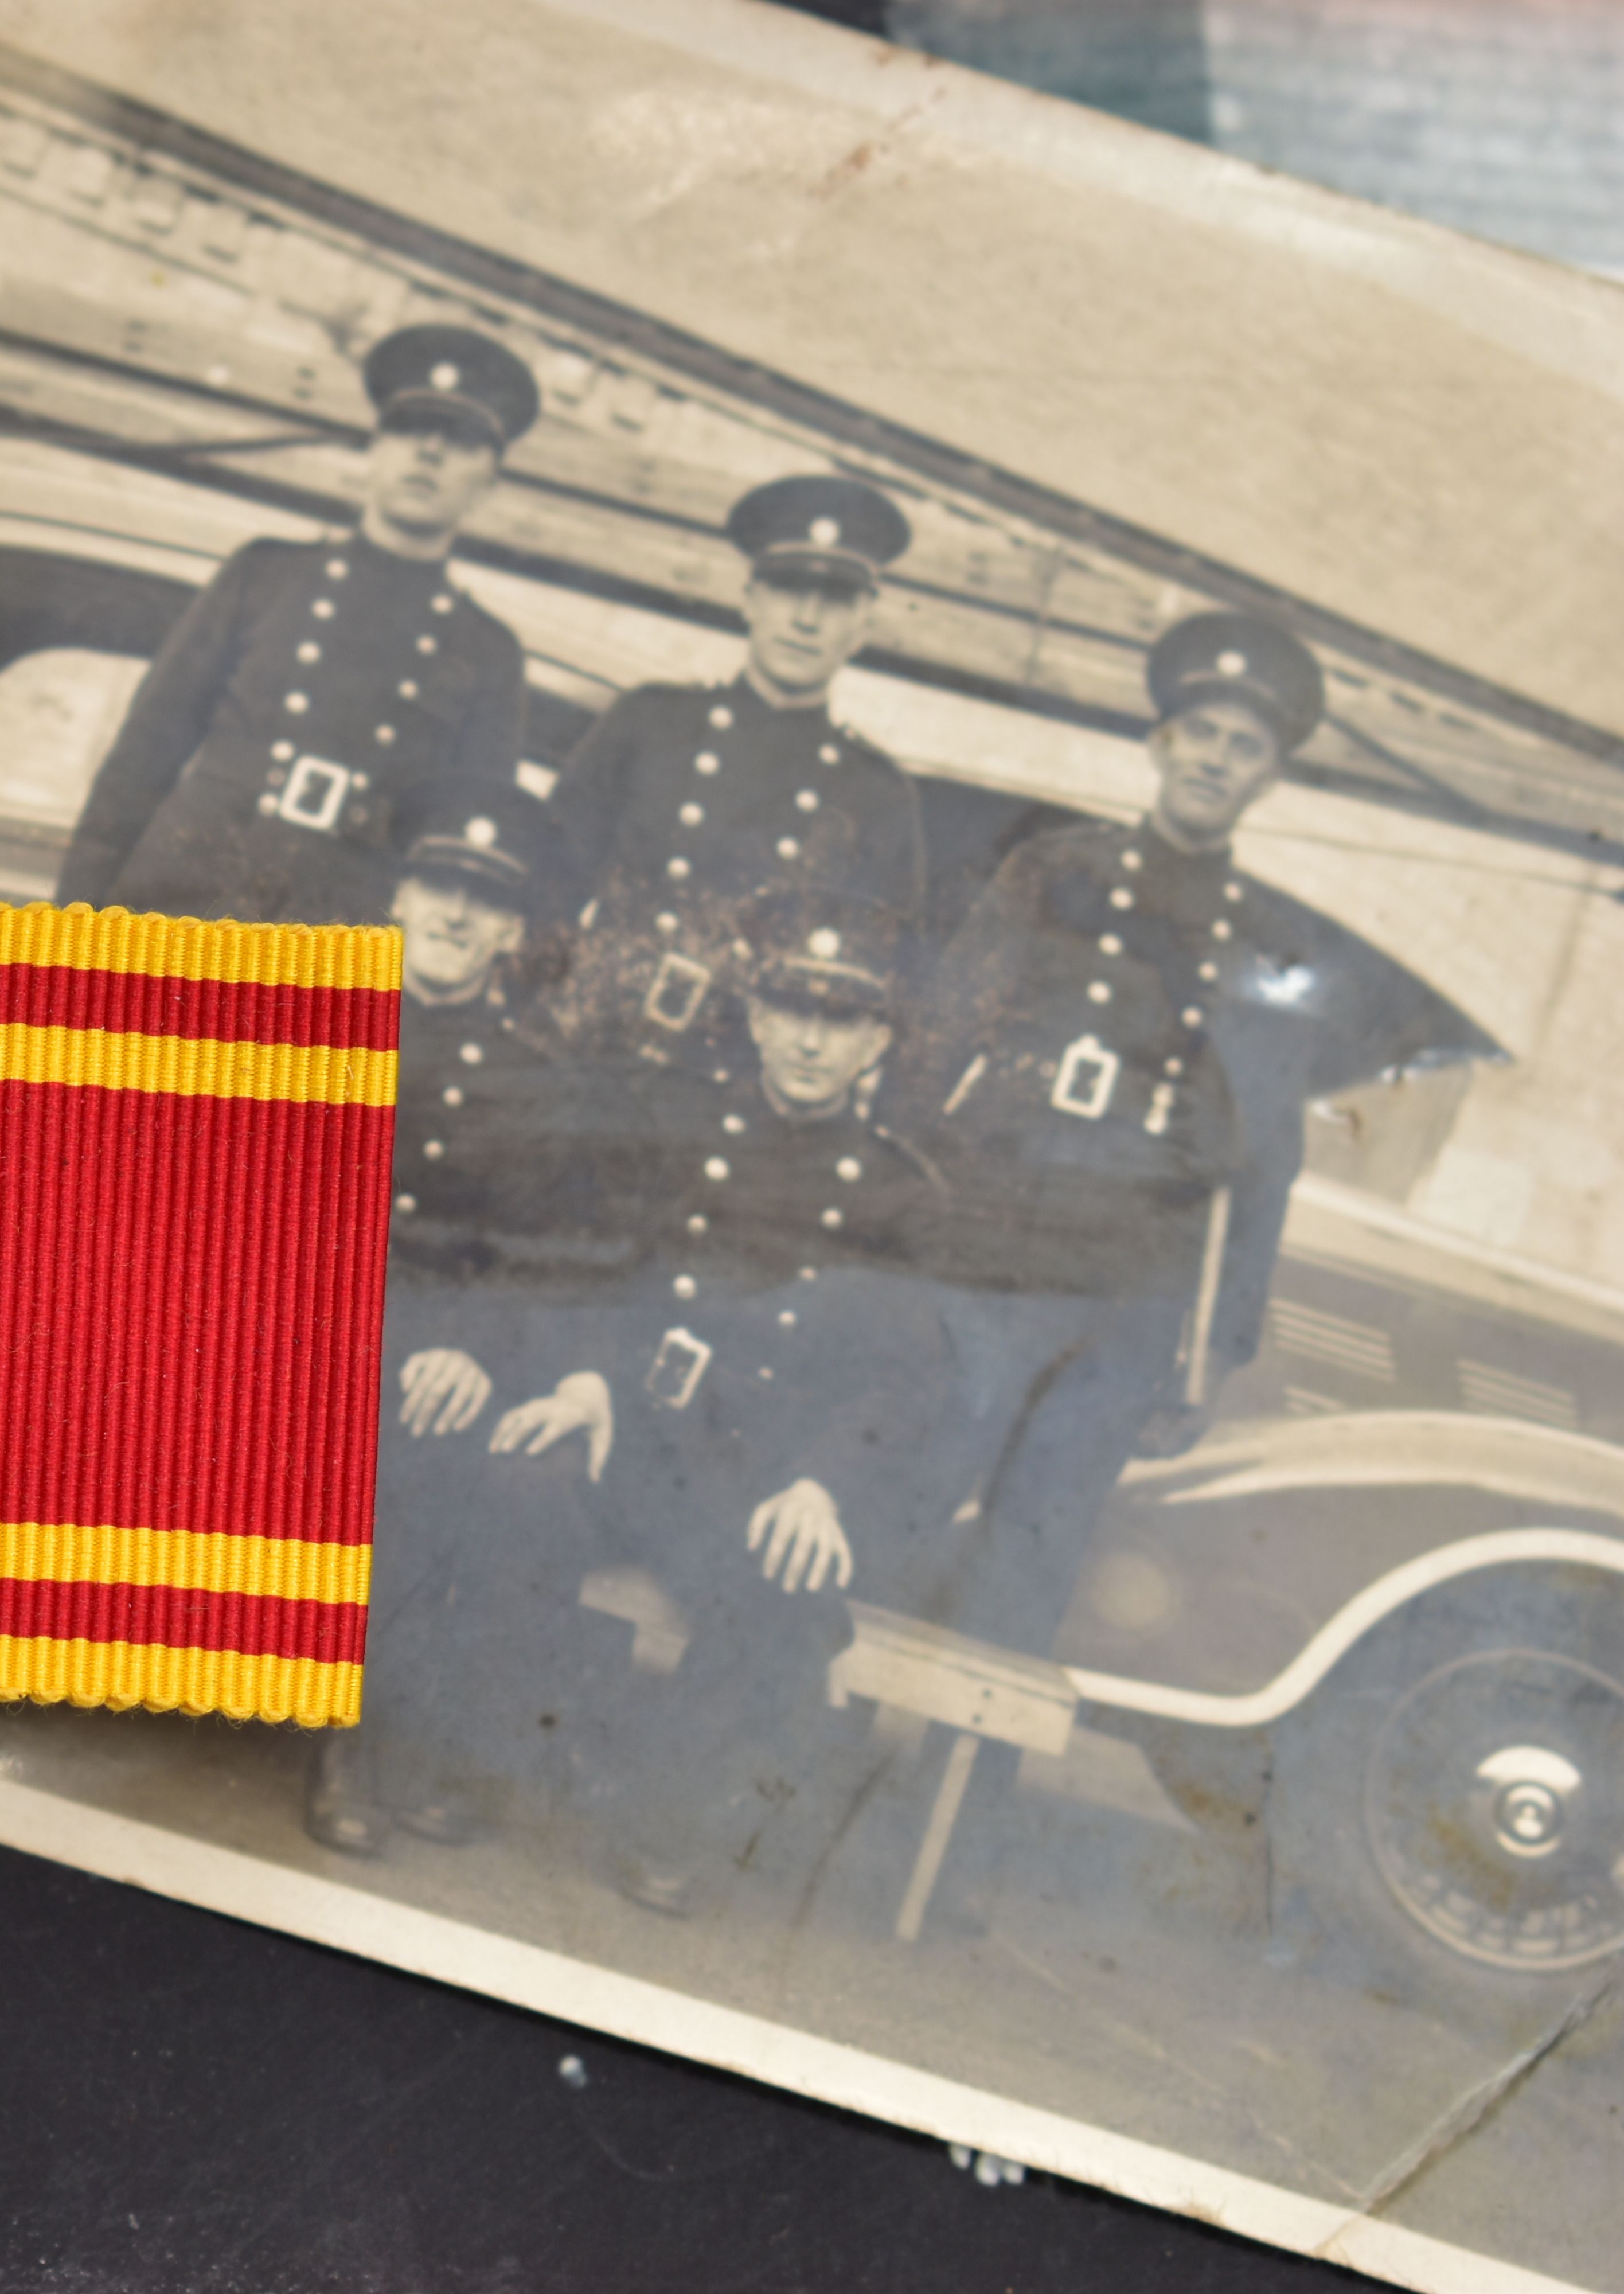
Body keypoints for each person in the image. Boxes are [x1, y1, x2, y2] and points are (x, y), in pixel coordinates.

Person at [487, 889, 949, 1912]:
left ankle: (657, 1817)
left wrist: (825, 1487)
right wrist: (587, 1382)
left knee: (785, 1591)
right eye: (792, 1012)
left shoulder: (896, 1195)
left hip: (757, 1479)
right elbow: (604, 1270)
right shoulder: (676, 1125)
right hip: (635, 1433)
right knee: (520, 1482)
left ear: (875, 1042)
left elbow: (903, 1376)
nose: (811, 1042)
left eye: (840, 1022)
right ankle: (453, 1764)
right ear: (756, 1019)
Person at [889, 608, 1331, 1662]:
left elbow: (1266, 1170)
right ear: (1161, 742)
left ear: (1269, 779)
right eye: (1204, 735)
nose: (1217, 761)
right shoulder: (1054, 873)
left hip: (1124, 1309)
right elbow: (931, 1053)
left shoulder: (1271, 945)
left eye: (1246, 748)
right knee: (896, 1520)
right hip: (981, 1270)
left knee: (1026, 1579)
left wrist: (1216, 1355)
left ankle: (959, 1810)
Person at [314, 806, 659, 1854]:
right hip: (303, 1327)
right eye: (440, 886)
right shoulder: (311, 1018)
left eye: (489, 901)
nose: (458, 915)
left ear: (514, 934)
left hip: (432, 1358)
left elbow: (540, 1257)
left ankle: (361, 1745)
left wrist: (473, 1349)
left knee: (460, 1446)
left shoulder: (536, 1081)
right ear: (400, 898)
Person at [54, 322, 538, 924]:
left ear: (489, 484)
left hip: (329, 945)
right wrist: (72, 925)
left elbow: (463, 855)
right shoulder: (263, 577)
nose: (429, 452)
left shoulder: (488, 652)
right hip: (179, 905)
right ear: (373, 450)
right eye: (409, 429)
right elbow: (140, 760)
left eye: (461, 441)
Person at [546, 473, 924, 1072]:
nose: (805, 618)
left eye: (834, 600)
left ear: (865, 626)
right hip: (585, 1048)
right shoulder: (650, 722)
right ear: (749, 598)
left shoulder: (875, 794)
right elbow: (548, 885)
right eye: (788, 588)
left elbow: (876, 983)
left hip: (734, 1086)